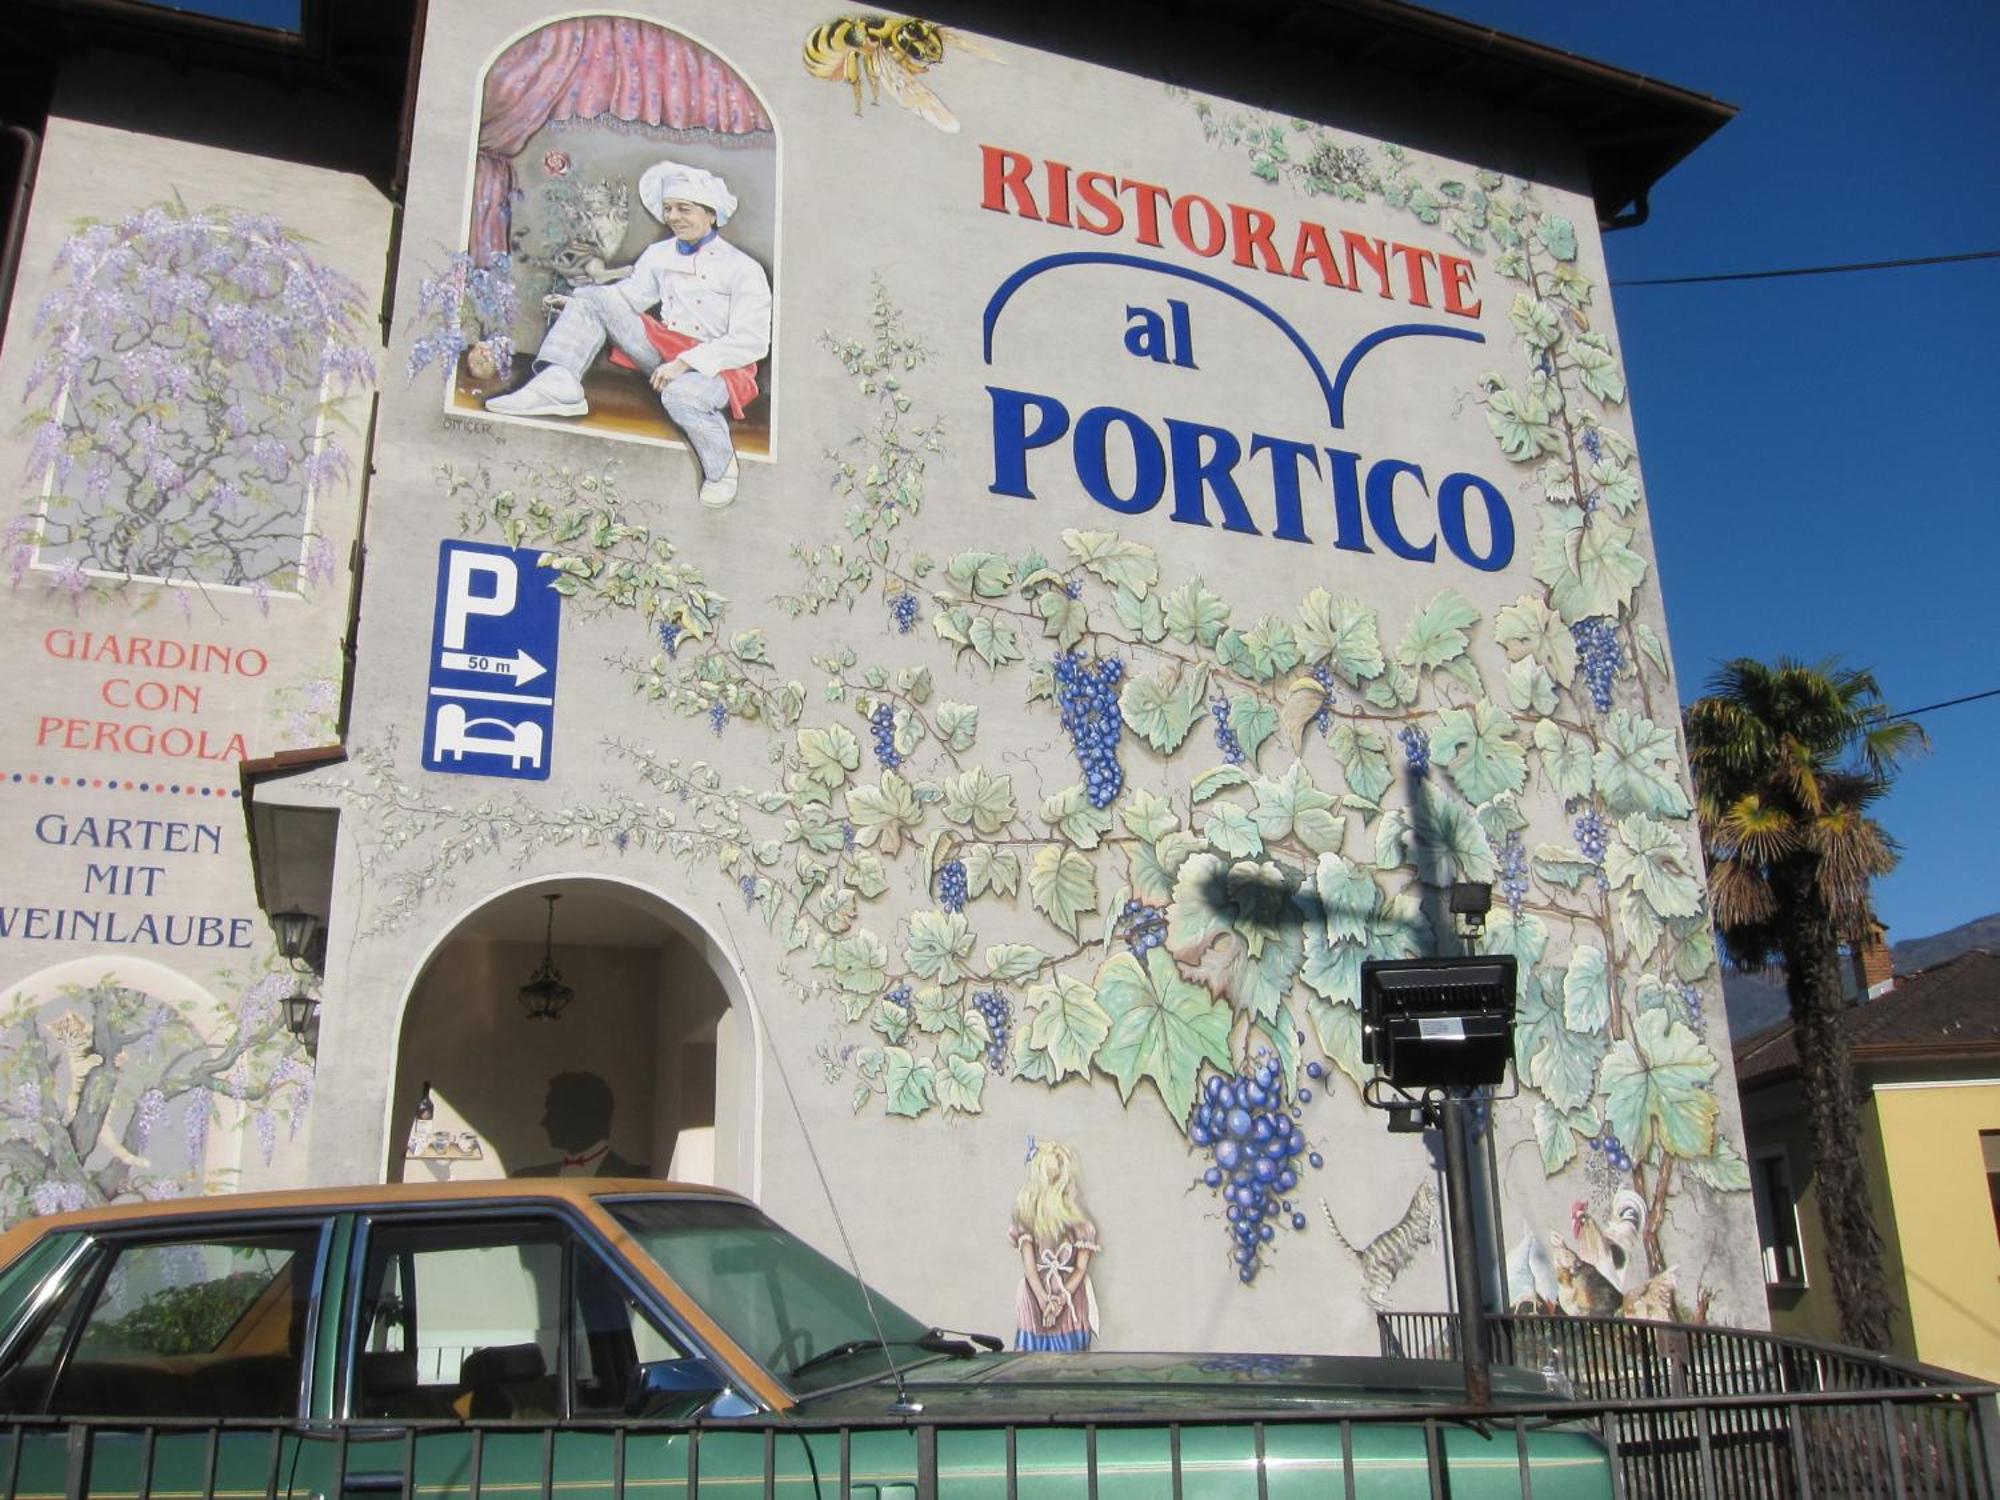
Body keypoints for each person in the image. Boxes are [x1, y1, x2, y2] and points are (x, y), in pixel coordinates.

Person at [486, 160, 771, 509]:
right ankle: (559, 386)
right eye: (668, 209)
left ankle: (721, 469)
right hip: (664, 350)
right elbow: (629, 297)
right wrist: (578, 304)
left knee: (681, 397)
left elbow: (752, 341)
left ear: (712, 214)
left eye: (685, 209)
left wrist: (685, 364)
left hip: (720, 368)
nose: (674, 217)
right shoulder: (660, 253)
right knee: (591, 297)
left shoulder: (743, 268)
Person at [1008, 1141, 1101, 1351]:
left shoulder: (1080, 1226)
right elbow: (1031, 1270)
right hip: (1035, 1301)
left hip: (1068, 1301)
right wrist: (1045, 1301)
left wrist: (1057, 1300)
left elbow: (1079, 1270)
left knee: (1063, 1366)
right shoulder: (1027, 1220)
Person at [515, 1071, 648, 1178]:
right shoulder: (525, 1179)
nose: (544, 1122)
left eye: (554, 1112)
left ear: (582, 1116)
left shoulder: (635, 1179)